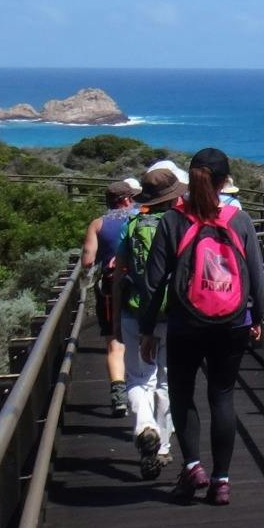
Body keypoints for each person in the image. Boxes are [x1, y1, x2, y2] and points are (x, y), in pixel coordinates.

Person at [136, 146, 264, 505]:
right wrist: (258, 317)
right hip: (233, 321)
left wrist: (147, 328)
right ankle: (221, 481)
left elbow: (153, 282)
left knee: (181, 392)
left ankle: (193, 466)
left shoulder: (173, 221)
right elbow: (257, 275)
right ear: (225, 182)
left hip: (185, 322)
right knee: (223, 395)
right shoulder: (239, 220)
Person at [107, 167, 181, 478]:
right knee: (167, 380)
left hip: (134, 311)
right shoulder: (179, 224)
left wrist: (113, 320)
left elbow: (118, 272)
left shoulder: (133, 223)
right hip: (173, 313)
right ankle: (163, 447)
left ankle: (145, 426)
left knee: (139, 379)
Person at [80, 180, 139, 416]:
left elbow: (87, 261)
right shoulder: (140, 217)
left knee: (114, 342)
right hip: (139, 286)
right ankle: (144, 388)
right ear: (126, 199)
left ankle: (119, 395)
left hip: (110, 286)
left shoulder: (98, 223)